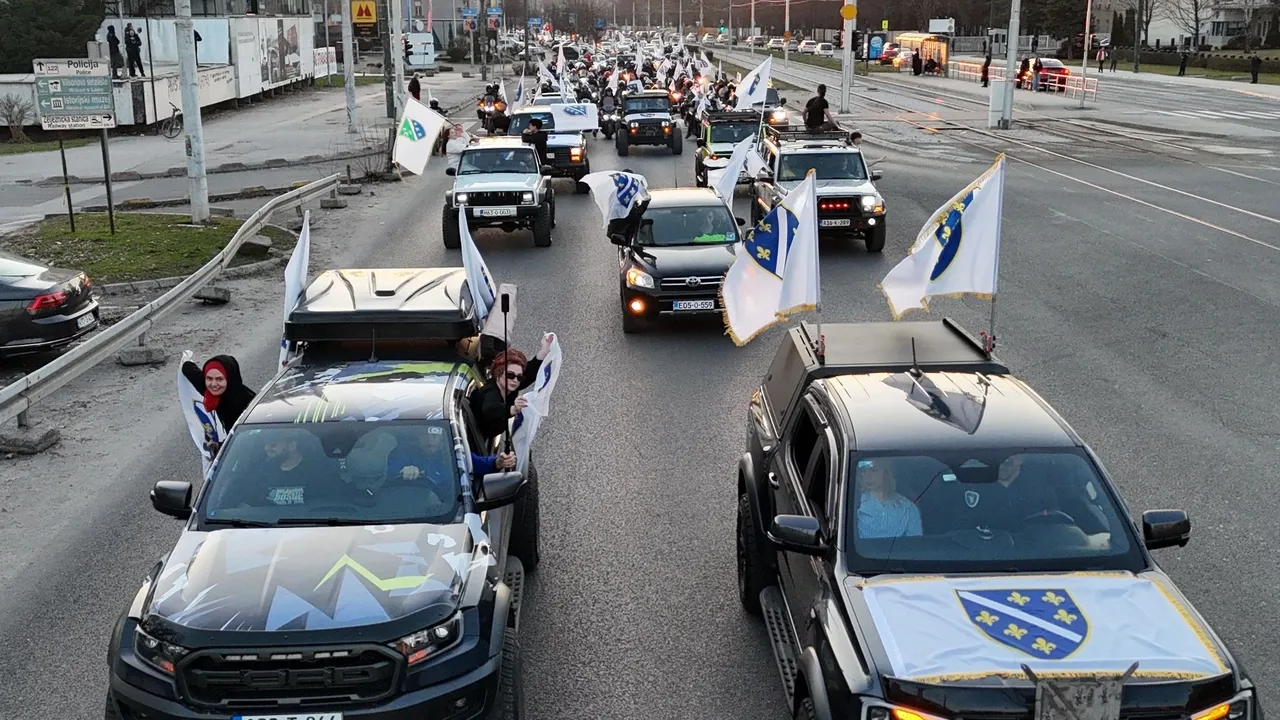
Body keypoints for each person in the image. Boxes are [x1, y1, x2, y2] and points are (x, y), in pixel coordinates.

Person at [470, 334, 555, 440]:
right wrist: (512, 409)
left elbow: (529, 373)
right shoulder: (490, 391)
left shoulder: (509, 387)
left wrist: (544, 350)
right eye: (510, 375)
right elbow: (490, 409)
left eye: (519, 377)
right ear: (498, 373)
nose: (515, 380)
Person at [182, 355, 256, 450]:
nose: (213, 384)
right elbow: (190, 371)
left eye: (219, 379)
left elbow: (244, 440)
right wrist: (186, 361)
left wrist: (219, 446)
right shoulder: (210, 389)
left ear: (229, 378)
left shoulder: (243, 404)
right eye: (209, 378)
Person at [855, 460, 923, 539]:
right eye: (864, 471)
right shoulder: (853, 505)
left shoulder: (908, 508)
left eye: (874, 470)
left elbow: (915, 544)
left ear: (886, 473)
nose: (868, 476)